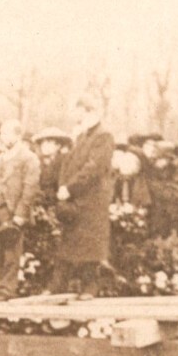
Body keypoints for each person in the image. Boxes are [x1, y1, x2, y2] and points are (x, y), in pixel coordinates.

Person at [51, 97, 115, 293]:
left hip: (92, 199)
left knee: (91, 248)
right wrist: (64, 187)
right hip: (77, 199)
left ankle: (91, 286)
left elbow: (93, 168)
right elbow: (69, 165)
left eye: (81, 113)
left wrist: (69, 188)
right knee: (71, 244)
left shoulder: (104, 136)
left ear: (90, 112)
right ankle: (58, 286)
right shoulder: (82, 136)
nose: (78, 117)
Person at [0, 118, 40, 299]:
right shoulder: (2, 157)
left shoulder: (29, 157)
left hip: (12, 210)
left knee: (11, 250)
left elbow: (30, 187)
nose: (2, 137)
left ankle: (8, 288)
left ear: (18, 135)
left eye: (6, 133)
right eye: (1, 133)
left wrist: (20, 214)